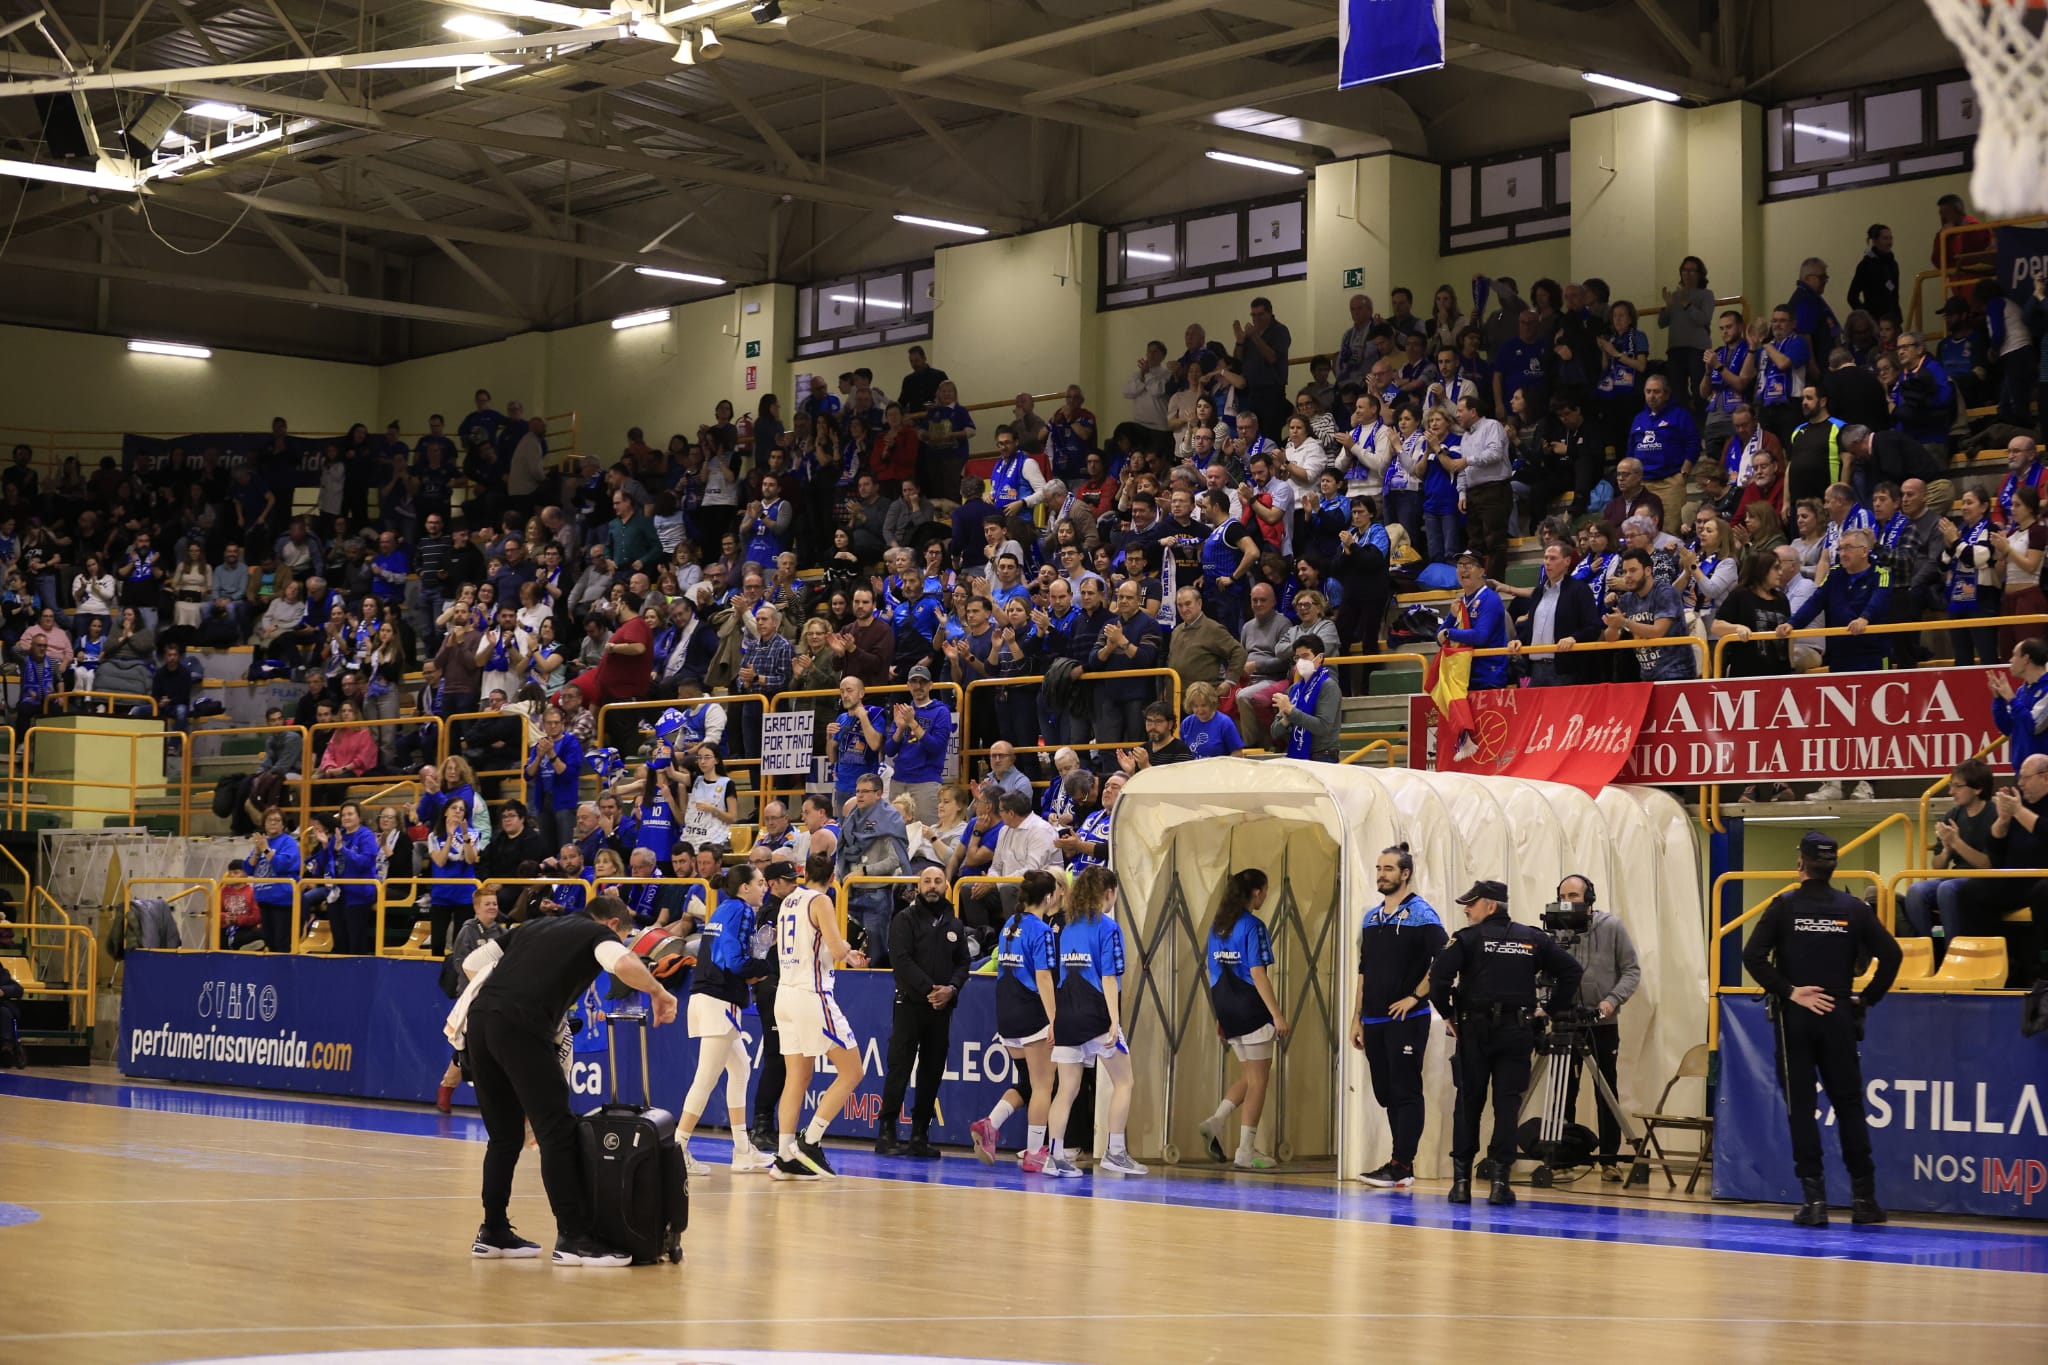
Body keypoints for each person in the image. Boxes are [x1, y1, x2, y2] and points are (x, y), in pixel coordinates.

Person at [452, 893, 677, 1265]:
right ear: (613, 925)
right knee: (556, 1130)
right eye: (621, 936)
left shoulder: (535, 925)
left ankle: (493, 1231)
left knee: (504, 1136)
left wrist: (512, 990)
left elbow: (473, 963)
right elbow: (621, 963)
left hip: (481, 1022)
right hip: (520, 1026)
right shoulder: (595, 935)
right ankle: (574, 1237)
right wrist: (658, 990)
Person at [1740, 832, 1902, 1226]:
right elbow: (1892, 955)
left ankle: (1815, 1203)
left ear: (1801, 864)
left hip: (1794, 1020)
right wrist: (1865, 999)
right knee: (1848, 1105)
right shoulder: (1853, 909)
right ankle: (1865, 1201)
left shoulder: (1783, 906)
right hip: (1838, 1017)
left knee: (1801, 1109)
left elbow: (1752, 956)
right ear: (1833, 866)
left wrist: (1791, 991)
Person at [1429, 879, 1583, 1206]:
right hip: (1517, 1032)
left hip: (1475, 1032)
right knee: (1507, 1107)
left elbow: (1439, 978)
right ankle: (1500, 1184)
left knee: (1468, 1104)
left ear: (1491, 905)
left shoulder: (1467, 939)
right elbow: (1571, 971)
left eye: (1472, 903)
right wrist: (1550, 1009)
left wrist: (1448, 1014)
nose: (1467, 910)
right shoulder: (1532, 939)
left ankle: (1461, 1184)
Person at [1348, 844, 1446, 1188]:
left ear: (1405, 874)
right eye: (1378, 868)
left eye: (1388, 869)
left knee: (1405, 1090)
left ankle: (1402, 1164)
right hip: (1373, 1019)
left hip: (1407, 1019)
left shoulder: (1422, 914)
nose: (1381, 874)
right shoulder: (1371, 917)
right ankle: (1397, 1162)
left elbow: (1445, 961)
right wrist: (1356, 1017)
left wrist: (1416, 996)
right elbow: (1364, 970)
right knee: (1386, 1093)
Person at [771, 852, 870, 1180]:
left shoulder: (789, 901)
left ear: (803, 873)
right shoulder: (822, 901)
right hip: (811, 995)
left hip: (784, 993)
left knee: (796, 1078)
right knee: (853, 1071)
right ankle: (810, 1140)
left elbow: (818, 944)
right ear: (833, 877)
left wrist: (843, 951)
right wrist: (848, 952)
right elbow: (836, 948)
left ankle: (784, 1157)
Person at [1043, 866, 1144, 1177]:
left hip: (1067, 1015)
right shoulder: (1108, 928)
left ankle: (1054, 1156)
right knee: (1125, 1081)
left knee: (1067, 1088)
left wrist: (1054, 1020)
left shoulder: (1068, 926)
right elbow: (1109, 978)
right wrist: (1114, 1021)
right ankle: (1115, 1152)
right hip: (1096, 1014)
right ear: (1109, 893)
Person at [677, 864, 777, 1176]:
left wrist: (757, 954)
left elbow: (724, 956)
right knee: (706, 1078)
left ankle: (742, 1149)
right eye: (760, 883)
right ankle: (677, 1148)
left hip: (709, 997)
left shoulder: (722, 908)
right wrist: (765, 962)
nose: (765, 888)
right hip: (718, 1000)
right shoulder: (744, 910)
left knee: (740, 1069)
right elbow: (735, 963)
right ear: (744, 888)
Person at [1196, 870, 1291, 1171]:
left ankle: (1216, 1122)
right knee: (1260, 1080)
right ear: (1255, 893)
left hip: (1226, 1007)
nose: (1265, 896)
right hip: (1251, 1008)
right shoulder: (1253, 926)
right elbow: (1257, 972)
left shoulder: (1217, 926)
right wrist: (1276, 1015)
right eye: (1264, 891)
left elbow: (1211, 972)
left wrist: (1219, 1014)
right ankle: (1245, 1151)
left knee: (1250, 1075)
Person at [875, 866, 972, 1158]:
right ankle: (887, 1132)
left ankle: (920, 1134)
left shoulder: (954, 923)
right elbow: (900, 961)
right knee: (899, 1068)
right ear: (918, 887)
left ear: (946, 885)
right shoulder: (904, 919)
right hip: (910, 1005)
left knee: (932, 1071)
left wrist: (951, 989)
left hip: (941, 1010)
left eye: (938, 881)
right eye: (927, 881)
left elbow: (964, 963)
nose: (932, 886)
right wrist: (932, 989)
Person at [971, 867, 1062, 1171]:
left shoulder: (1011, 922)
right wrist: (1054, 1020)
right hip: (1031, 1012)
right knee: (1043, 1085)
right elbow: (1044, 978)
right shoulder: (1043, 931)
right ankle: (1035, 1153)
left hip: (1006, 1010)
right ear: (1049, 897)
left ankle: (990, 1124)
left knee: (1026, 1081)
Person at [1551, 875, 1640, 1179]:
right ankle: (1562, 1159)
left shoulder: (1612, 927)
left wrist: (1611, 1001)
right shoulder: (1556, 929)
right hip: (1565, 1020)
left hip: (1602, 1021)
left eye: (1574, 895)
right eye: (1563, 895)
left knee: (1606, 1089)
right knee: (1564, 1089)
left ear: (1589, 898)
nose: (1568, 901)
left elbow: (1631, 971)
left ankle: (1609, 1159)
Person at [1899, 758, 1996, 951]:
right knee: (1916, 891)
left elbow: (1988, 865)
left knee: (1947, 889)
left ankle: (1953, 952)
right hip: (1955, 876)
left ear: (1977, 789)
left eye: (1957, 786)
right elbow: (1938, 866)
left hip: (1984, 880)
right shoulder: (1953, 814)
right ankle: (1926, 953)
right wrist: (1947, 849)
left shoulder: (1994, 814)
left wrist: (1957, 843)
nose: (1951, 792)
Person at [434, 885, 506, 1114]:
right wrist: (480, 980)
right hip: (471, 998)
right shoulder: (467, 931)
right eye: (488, 904)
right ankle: (447, 1087)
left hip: (495, 998)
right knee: (465, 1048)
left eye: (495, 903)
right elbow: (460, 963)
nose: (493, 907)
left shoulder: (502, 934)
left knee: (495, 1046)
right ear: (476, 908)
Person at [233, 806, 302, 955]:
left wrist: (265, 849)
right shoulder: (263, 843)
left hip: (283, 900)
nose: (273, 823)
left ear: (283, 825)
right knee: (269, 941)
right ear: (264, 823)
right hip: (264, 899)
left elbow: (282, 864)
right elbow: (248, 869)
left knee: (281, 942)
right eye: (270, 820)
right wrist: (257, 852)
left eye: (277, 820)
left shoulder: (288, 842)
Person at [1270, 635, 1341, 762]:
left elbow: (1323, 727)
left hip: (1323, 756)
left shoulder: (1329, 687)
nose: (1300, 662)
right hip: (1296, 755)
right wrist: (1286, 718)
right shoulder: (1293, 690)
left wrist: (1291, 711)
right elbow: (1275, 732)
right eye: (1297, 657)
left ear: (1319, 658)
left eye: (1305, 656)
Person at [1992, 638, 2048, 774]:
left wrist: (2011, 699)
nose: (2010, 660)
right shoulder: (2022, 691)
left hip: (2042, 774)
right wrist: (1998, 699)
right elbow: (2008, 728)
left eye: (2014, 655)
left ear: (2026, 659)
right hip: (2022, 771)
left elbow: (2034, 726)